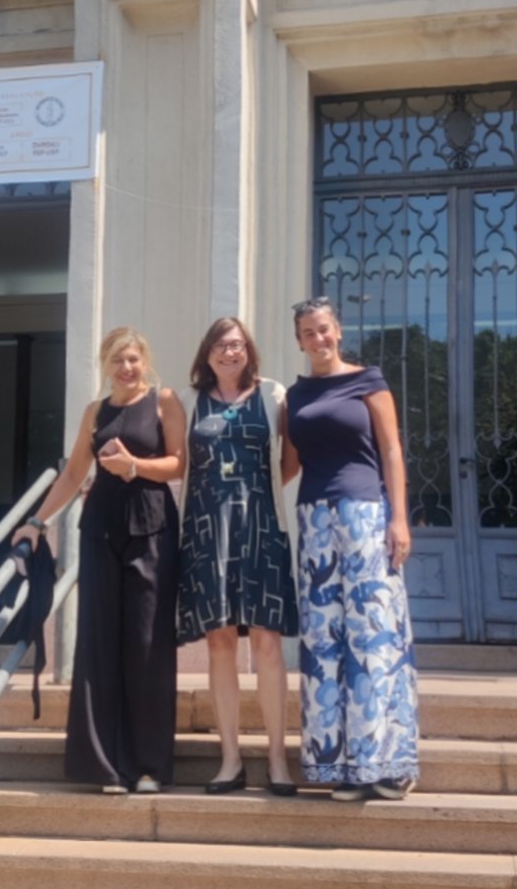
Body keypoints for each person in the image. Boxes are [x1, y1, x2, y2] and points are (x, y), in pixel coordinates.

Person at [13, 326, 185, 795]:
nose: (126, 368)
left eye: (132, 359)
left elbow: (179, 463)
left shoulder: (164, 400)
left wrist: (134, 467)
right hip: (101, 529)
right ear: (105, 364)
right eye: (117, 360)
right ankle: (105, 765)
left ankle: (149, 766)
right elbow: (73, 474)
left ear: (144, 360)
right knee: (100, 640)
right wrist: (38, 522)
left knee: (148, 642)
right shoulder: (95, 411)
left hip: (152, 527)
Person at [282, 297, 418, 801]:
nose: (318, 339)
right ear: (298, 341)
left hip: (365, 513)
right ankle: (338, 765)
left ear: (337, 332)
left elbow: (391, 450)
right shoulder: (293, 396)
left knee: (375, 639)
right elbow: (288, 464)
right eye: (307, 333)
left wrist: (399, 518)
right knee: (324, 645)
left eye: (324, 330)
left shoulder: (369, 381)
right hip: (314, 520)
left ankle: (387, 765)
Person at [177, 317, 299, 797]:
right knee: (220, 644)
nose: (229, 353)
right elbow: (176, 462)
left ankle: (277, 758)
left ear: (249, 350)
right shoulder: (186, 401)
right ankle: (229, 759)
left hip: (262, 529)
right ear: (206, 353)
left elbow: (290, 460)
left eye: (237, 345)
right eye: (220, 346)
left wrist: (254, 498)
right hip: (206, 534)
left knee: (268, 642)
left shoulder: (274, 396)